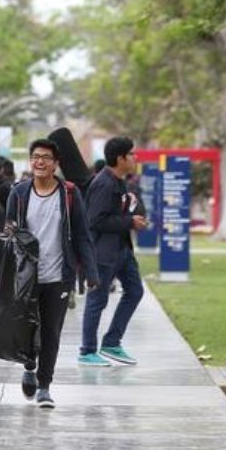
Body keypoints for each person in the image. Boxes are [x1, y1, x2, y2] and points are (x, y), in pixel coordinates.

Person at [6, 138, 99, 408]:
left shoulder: (69, 194)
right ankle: (28, 365)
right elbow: (9, 229)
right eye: (35, 156)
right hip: (25, 275)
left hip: (58, 275)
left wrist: (90, 272)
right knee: (24, 328)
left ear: (55, 163)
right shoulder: (19, 193)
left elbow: (82, 235)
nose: (40, 161)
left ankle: (45, 385)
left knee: (51, 333)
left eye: (46, 157)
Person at [79, 136, 147, 367]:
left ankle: (111, 342)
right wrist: (129, 222)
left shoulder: (119, 181)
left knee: (135, 291)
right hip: (103, 252)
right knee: (97, 300)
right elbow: (95, 221)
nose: (135, 158)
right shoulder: (104, 183)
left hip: (122, 250)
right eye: (132, 154)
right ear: (121, 158)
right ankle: (87, 351)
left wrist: (131, 217)